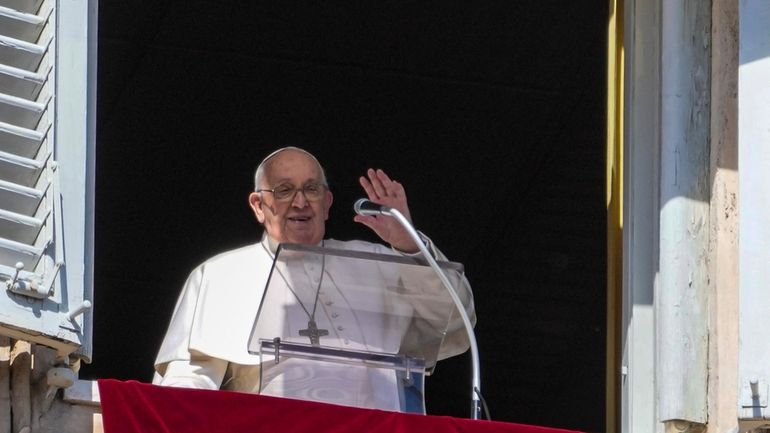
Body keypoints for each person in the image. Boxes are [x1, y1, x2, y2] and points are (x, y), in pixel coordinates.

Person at [152, 147, 475, 412]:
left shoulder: (378, 262)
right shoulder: (221, 274)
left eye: (311, 189)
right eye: (284, 190)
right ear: (258, 205)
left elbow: (454, 318)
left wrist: (408, 244)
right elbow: (188, 381)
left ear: (328, 203)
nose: (300, 201)